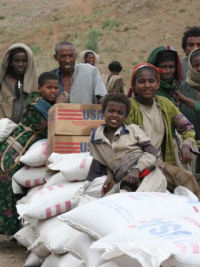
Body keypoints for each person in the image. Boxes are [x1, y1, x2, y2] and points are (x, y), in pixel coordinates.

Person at [125, 63, 200, 198]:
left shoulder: (165, 103)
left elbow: (186, 126)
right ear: (134, 86)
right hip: (138, 164)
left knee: (188, 183)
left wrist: (187, 144)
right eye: (141, 81)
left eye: (151, 81)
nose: (147, 85)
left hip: (162, 164)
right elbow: (125, 142)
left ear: (158, 84)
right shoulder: (129, 107)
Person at [0, 72, 58, 236]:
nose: (53, 91)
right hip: (17, 148)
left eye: (55, 87)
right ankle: (8, 228)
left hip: (22, 146)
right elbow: (50, 128)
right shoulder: (37, 105)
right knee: (6, 185)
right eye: (49, 87)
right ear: (40, 88)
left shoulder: (45, 103)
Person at [87, 93, 167, 195]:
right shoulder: (96, 138)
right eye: (111, 111)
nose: (115, 115)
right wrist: (108, 178)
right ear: (103, 112)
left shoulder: (133, 130)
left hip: (147, 172)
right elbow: (103, 164)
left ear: (125, 116)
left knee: (143, 199)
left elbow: (152, 153)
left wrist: (137, 169)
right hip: (124, 180)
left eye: (120, 113)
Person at [0, 43, 38, 123]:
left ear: (29, 62)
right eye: (17, 61)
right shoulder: (2, 81)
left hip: (25, 130)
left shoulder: (34, 83)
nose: (20, 64)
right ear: (10, 62)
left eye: (24, 61)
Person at [176, 48, 200, 174]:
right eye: (196, 65)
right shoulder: (182, 88)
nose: (199, 69)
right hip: (189, 151)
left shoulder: (181, 95)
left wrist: (185, 100)